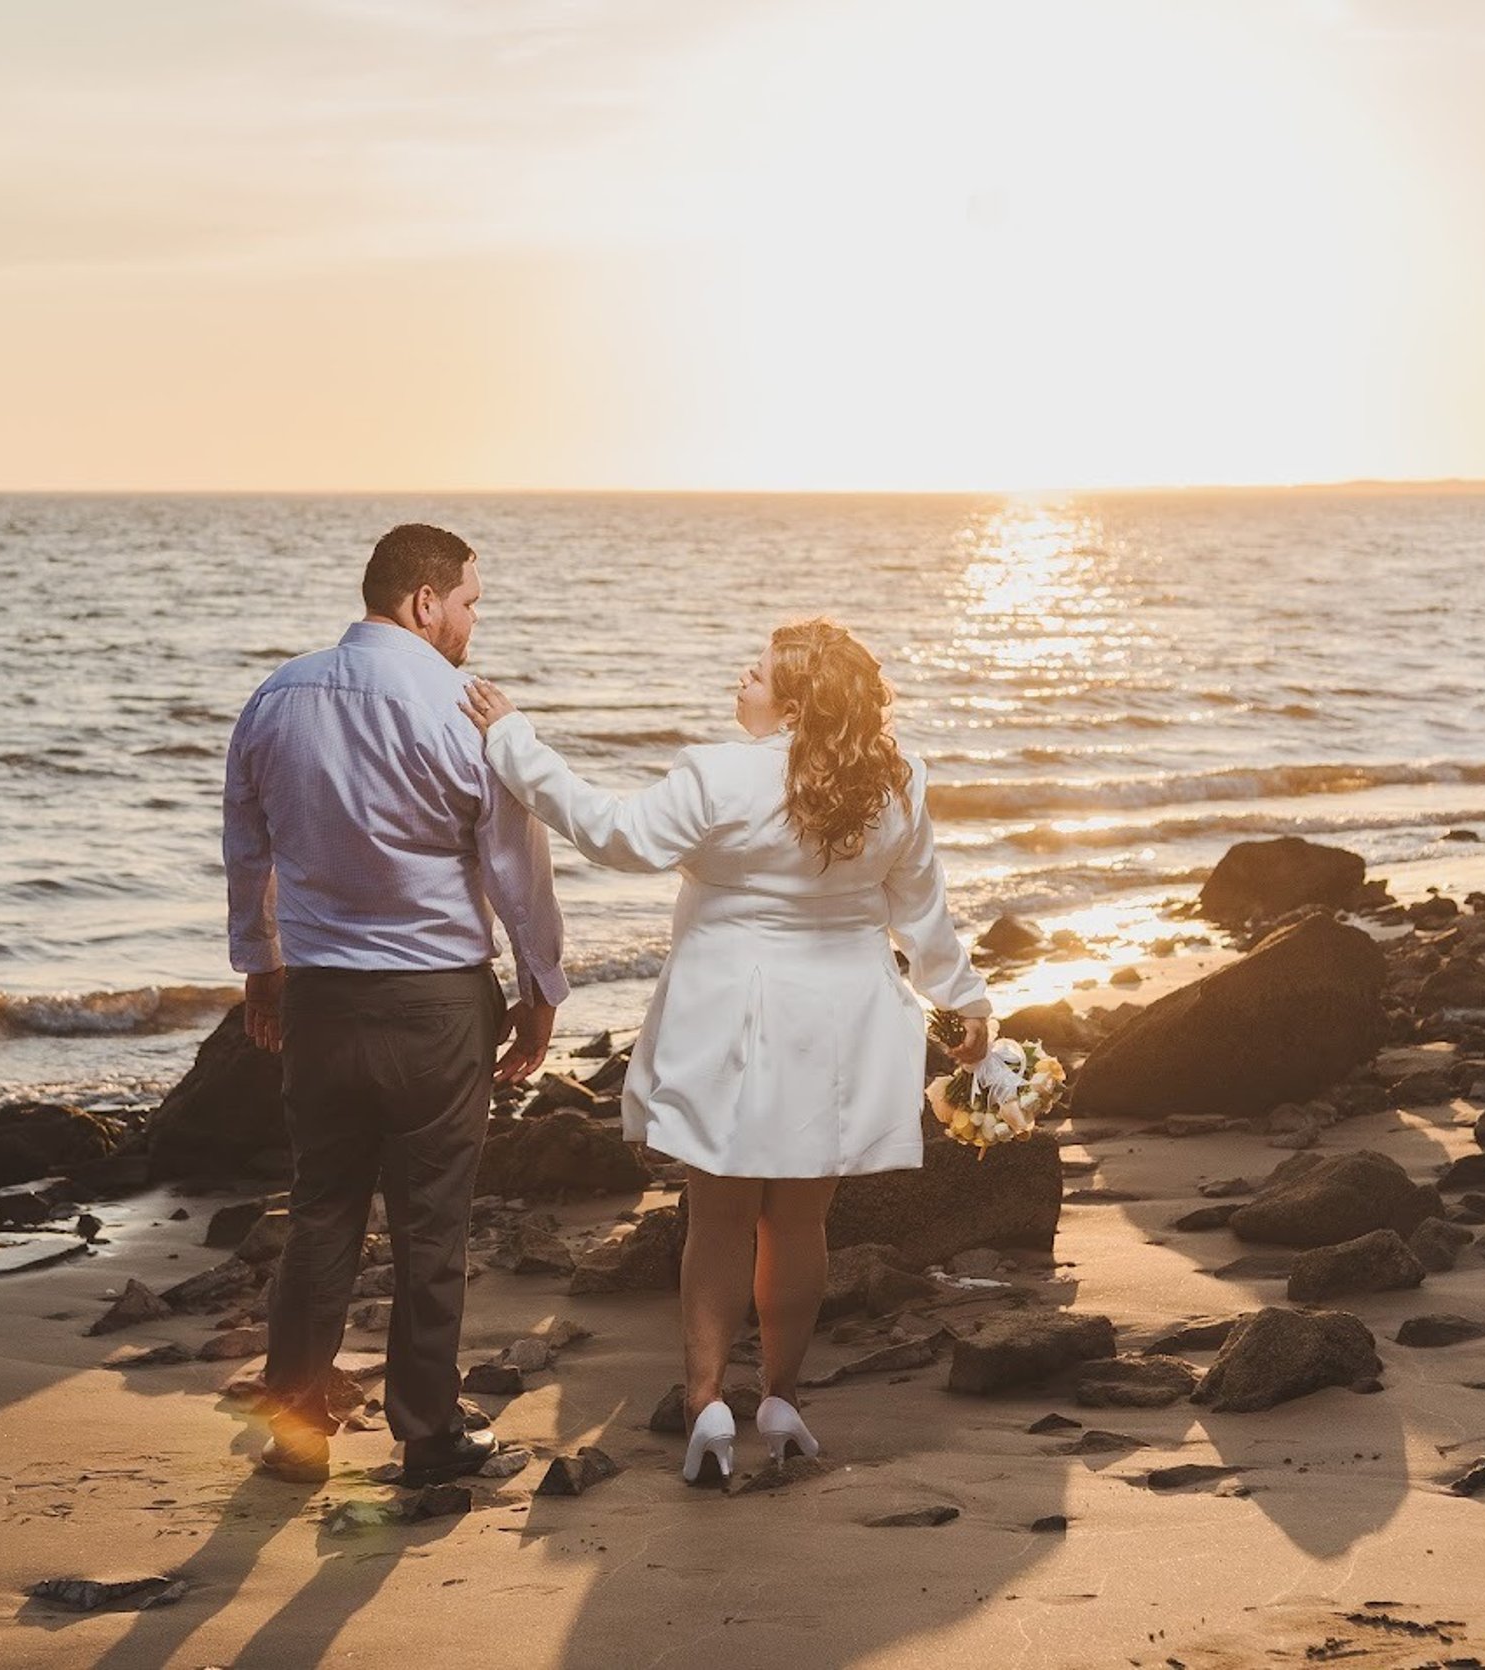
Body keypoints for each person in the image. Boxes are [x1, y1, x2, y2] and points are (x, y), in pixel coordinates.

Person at [460, 617, 991, 1486]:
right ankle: (780, 1399)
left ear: (794, 699)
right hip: (841, 1021)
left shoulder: (716, 773)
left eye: (761, 669)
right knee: (800, 1222)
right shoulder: (895, 781)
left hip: (732, 1020)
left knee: (717, 1219)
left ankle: (707, 1401)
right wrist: (965, 999)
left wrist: (514, 738)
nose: (743, 675)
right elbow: (922, 910)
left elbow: (611, 833)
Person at [223, 522, 569, 1488]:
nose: (470, 625)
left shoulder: (276, 696)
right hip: (437, 1007)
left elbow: (247, 847)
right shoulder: (467, 714)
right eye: (468, 605)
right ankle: (427, 1432)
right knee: (431, 1225)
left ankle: (296, 1429)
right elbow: (518, 873)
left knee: (323, 1211)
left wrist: (264, 968)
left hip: (324, 1004)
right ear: (424, 602)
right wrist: (541, 993)